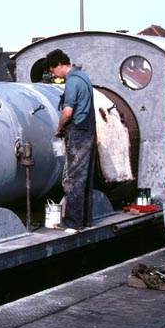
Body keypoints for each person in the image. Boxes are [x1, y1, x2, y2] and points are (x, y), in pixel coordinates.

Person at [45, 49, 97, 232]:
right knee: (85, 177)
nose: (53, 75)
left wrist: (58, 129)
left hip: (78, 131)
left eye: (53, 71)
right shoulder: (84, 78)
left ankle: (72, 222)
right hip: (89, 130)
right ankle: (85, 220)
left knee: (73, 177)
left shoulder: (72, 82)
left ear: (59, 65)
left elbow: (68, 112)